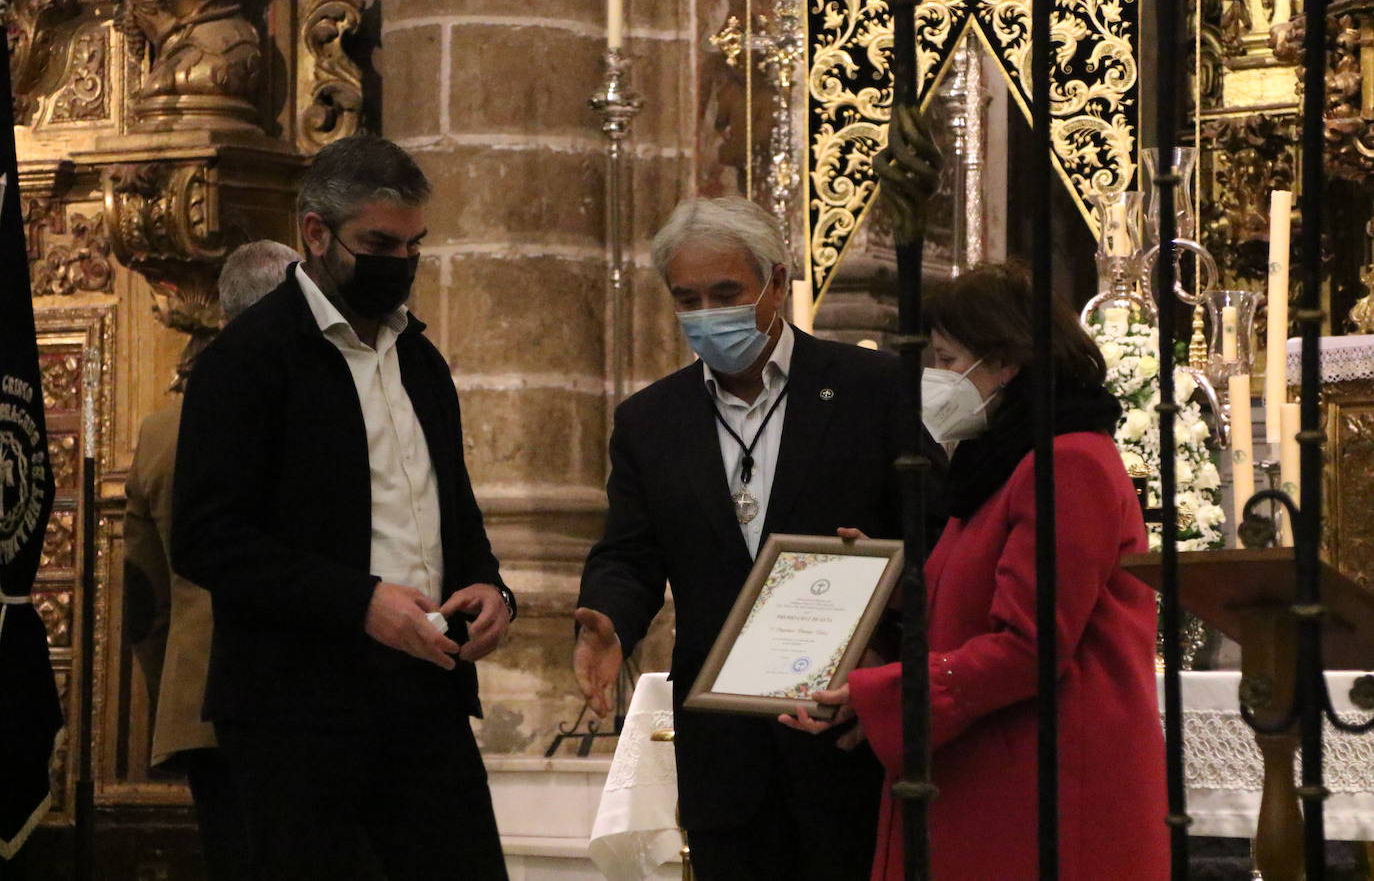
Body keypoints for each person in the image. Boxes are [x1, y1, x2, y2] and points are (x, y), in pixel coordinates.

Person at [171, 136, 516, 881]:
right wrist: (360, 603)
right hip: (297, 708)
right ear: (316, 233)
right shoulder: (248, 359)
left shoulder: (418, 358)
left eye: (414, 244)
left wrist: (492, 585)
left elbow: (449, 506)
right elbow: (206, 539)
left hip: (425, 687)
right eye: (379, 243)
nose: (401, 262)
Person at [574, 197, 945, 880]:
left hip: (846, 729)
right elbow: (630, 551)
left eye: (726, 294)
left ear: (776, 282)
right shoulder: (651, 422)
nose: (707, 314)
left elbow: (940, 534)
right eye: (688, 299)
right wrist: (609, 620)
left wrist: (895, 624)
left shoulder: (871, 390)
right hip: (725, 749)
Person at [782, 264, 1169, 880]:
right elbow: (982, 591)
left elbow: (1029, 645)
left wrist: (884, 695)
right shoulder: (1007, 464)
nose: (934, 378)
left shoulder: (1067, 465)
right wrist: (888, 578)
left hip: (1049, 784)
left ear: (1005, 362)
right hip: (998, 770)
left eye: (946, 357)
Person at [124, 239, 300, 880]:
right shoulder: (315, 418)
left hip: (199, 697)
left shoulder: (160, 431)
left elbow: (143, 594)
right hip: (305, 702)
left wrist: (172, 681)